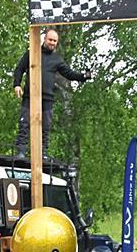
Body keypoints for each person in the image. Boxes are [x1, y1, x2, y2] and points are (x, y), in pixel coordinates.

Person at [12, 29, 89, 157]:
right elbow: (19, 69)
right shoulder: (32, 53)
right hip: (29, 95)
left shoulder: (57, 59)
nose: (52, 43)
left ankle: (42, 153)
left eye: (55, 41)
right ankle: (21, 151)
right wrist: (16, 84)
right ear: (45, 39)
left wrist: (83, 76)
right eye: (50, 40)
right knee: (24, 123)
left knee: (46, 127)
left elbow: (69, 74)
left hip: (47, 98)